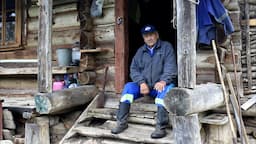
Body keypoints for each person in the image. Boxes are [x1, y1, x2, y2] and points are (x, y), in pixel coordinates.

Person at [111, 24, 177, 139]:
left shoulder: (166, 47)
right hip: (146, 86)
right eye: (146, 36)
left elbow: (171, 68)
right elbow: (133, 70)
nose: (149, 38)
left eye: (151, 35)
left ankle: (161, 127)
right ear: (143, 38)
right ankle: (121, 123)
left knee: (165, 93)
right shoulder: (140, 51)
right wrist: (141, 82)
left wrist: (163, 81)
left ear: (157, 35)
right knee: (128, 88)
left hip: (161, 85)